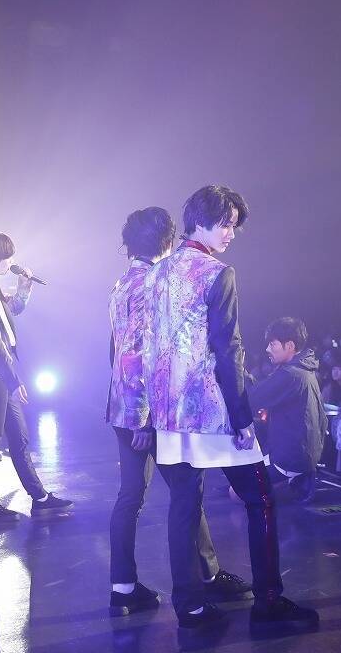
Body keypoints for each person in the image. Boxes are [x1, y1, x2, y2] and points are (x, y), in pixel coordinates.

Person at [142, 185, 318, 632]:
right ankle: (269, 601)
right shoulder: (217, 272)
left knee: (184, 506)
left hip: (168, 409)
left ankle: (189, 607)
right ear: (202, 220)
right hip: (210, 408)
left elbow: (148, 342)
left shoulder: (157, 273)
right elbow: (228, 348)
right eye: (227, 223)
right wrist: (242, 417)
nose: (231, 234)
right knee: (261, 498)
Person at [105, 207, 249, 617]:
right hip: (147, 412)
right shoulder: (152, 282)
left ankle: (123, 587)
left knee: (131, 496)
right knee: (186, 494)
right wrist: (144, 418)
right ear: (167, 241)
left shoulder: (120, 284)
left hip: (121, 404)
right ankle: (204, 583)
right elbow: (140, 354)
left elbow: (115, 351)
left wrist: (127, 409)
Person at [0, 231, 71, 520]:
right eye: (7, 256)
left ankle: (40, 497)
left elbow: (12, 312)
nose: (12, 261)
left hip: (1, 372)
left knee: (19, 437)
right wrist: (14, 380)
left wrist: (24, 288)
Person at [250, 317, 328, 503]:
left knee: (236, 492)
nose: (267, 349)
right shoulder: (305, 369)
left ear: (290, 345)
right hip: (304, 457)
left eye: (272, 344)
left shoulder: (290, 374)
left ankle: (291, 485)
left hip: (289, 459)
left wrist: (238, 371)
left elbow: (253, 398)